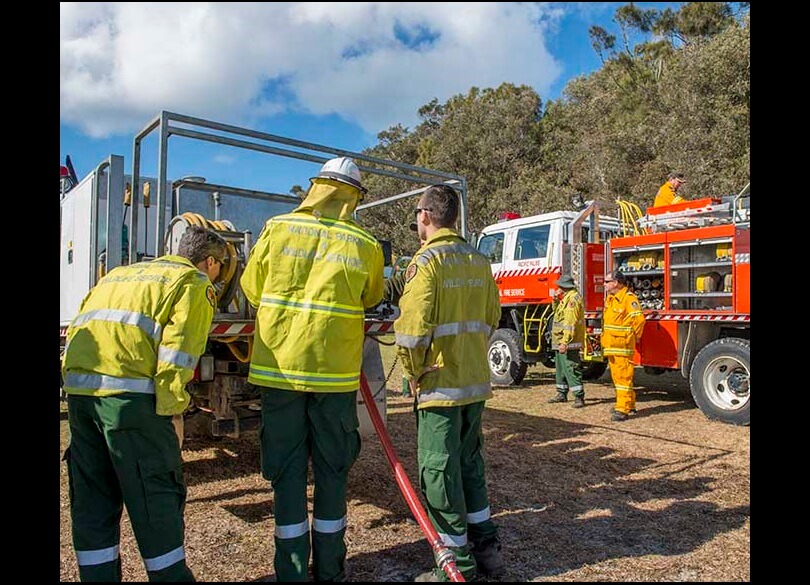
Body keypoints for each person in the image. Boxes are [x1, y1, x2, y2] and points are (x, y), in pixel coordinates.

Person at [240, 156, 384, 582]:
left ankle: (289, 570)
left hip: (279, 372)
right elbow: (370, 296)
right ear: (355, 196)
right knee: (332, 470)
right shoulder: (365, 244)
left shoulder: (277, 228)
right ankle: (330, 567)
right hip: (335, 377)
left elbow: (251, 286)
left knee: (285, 471)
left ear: (316, 187)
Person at [61, 225, 228, 582]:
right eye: (220, 269)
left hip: (80, 395)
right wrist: (172, 412)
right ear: (210, 261)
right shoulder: (192, 283)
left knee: (92, 499)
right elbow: (178, 355)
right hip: (130, 403)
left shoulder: (119, 275)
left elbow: (79, 329)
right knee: (155, 497)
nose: (219, 277)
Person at [394, 184, 505, 582]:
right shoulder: (478, 260)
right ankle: (487, 549)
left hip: (439, 385)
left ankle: (456, 564)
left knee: (438, 472)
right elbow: (492, 317)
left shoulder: (426, 262)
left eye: (416, 219)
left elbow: (410, 334)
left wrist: (414, 371)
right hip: (474, 383)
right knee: (469, 464)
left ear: (425, 215)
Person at [601, 269, 647, 421]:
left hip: (622, 346)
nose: (604, 284)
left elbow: (639, 320)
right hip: (612, 345)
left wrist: (635, 336)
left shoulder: (628, 298)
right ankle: (629, 404)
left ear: (616, 283)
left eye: (607, 281)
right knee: (618, 377)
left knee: (623, 378)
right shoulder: (611, 299)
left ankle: (623, 408)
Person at [546, 274, 586, 408]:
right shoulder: (565, 298)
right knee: (561, 368)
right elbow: (556, 312)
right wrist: (555, 300)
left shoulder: (572, 300)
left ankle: (579, 396)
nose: (557, 288)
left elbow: (570, 323)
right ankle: (561, 393)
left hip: (568, 341)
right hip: (559, 340)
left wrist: (565, 342)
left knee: (571, 367)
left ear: (564, 287)